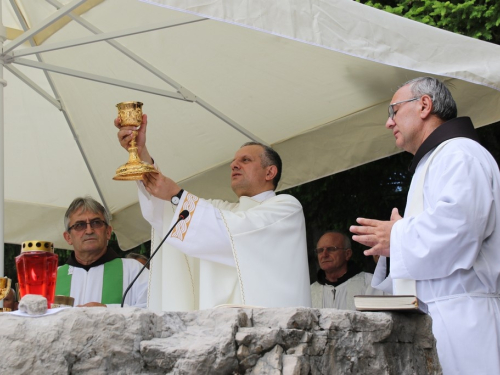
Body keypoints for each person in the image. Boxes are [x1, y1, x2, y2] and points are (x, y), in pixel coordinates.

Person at [349, 77, 500, 374]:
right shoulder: (438, 159)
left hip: (465, 320)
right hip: (442, 315)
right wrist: (394, 246)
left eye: (393, 111)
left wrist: (398, 236)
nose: (388, 123)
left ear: (424, 105)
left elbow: (460, 229)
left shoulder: (459, 154)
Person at [116, 115, 311, 311]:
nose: (233, 165)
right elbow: (169, 213)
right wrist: (140, 154)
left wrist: (176, 194)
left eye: (245, 160)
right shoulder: (224, 210)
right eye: (234, 161)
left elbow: (230, 232)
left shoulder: (286, 208)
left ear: (270, 172)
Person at [56, 197, 149, 307]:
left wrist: (108, 312)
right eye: (79, 225)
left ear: (108, 232)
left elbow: (154, 311)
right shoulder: (53, 277)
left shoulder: (134, 270)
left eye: (96, 223)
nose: (89, 231)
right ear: (68, 237)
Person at [310, 231, 382, 310]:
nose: (324, 255)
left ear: (347, 254)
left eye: (331, 249)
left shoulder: (371, 283)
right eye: (320, 251)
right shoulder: (310, 291)